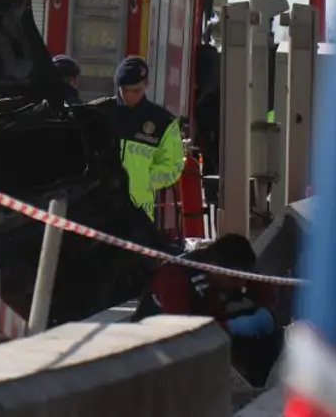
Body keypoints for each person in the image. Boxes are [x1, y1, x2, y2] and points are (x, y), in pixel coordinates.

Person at [131, 234, 283, 386]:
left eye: (244, 277)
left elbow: (259, 287)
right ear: (214, 267)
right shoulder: (174, 277)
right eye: (235, 280)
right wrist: (232, 327)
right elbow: (183, 333)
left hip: (203, 324)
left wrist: (266, 309)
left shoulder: (233, 272)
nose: (241, 284)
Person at [89, 56, 185, 220]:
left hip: (139, 213)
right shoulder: (99, 113)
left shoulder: (163, 122)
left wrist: (145, 180)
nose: (129, 96)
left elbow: (174, 165)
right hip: (98, 209)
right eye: (124, 90)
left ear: (146, 85)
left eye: (135, 91)